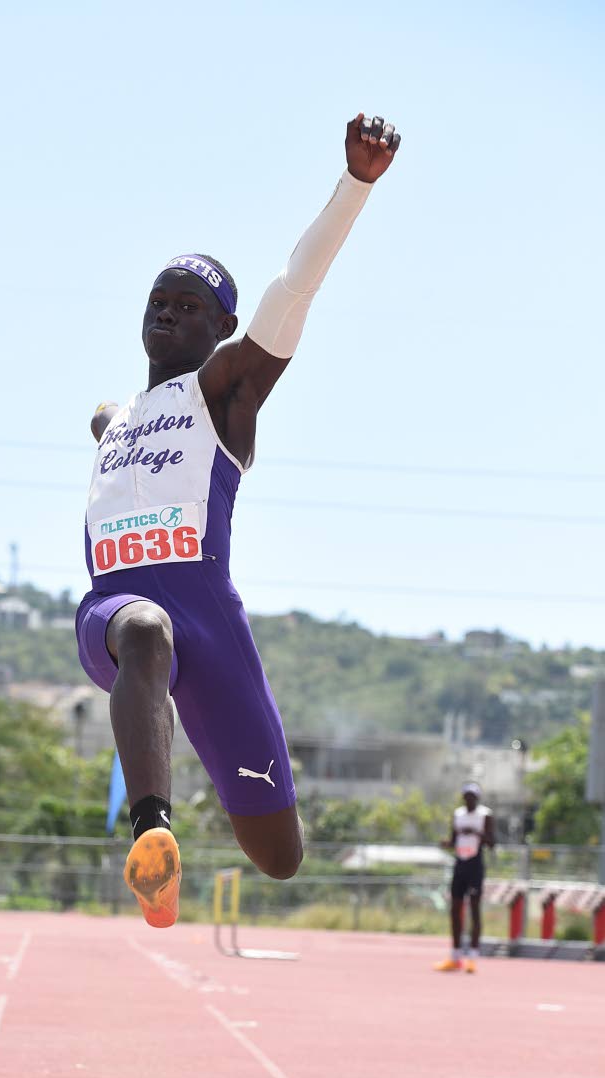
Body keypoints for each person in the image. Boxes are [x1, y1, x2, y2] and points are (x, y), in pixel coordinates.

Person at [76, 113, 402, 927]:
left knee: (277, 856)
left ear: (221, 330)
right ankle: (155, 835)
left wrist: (354, 185)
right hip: (116, 610)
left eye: (189, 306)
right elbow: (109, 419)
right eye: (157, 301)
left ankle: (216, 805)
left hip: (211, 622)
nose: (167, 313)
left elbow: (293, 289)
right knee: (145, 629)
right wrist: (110, 420)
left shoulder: (225, 393)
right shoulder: (115, 420)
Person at [435, 783, 496, 973]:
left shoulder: (485, 815)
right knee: (455, 910)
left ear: (477, 798)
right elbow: (453, 840)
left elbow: (492, 843)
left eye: (473, 797)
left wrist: (476, 832)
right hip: (460, 863)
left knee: (475, 910)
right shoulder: (458, 814)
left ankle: (473, 957)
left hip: (475, 864)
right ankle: (455, 956)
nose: (469, 800)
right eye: (467, 796)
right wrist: (446, 843)